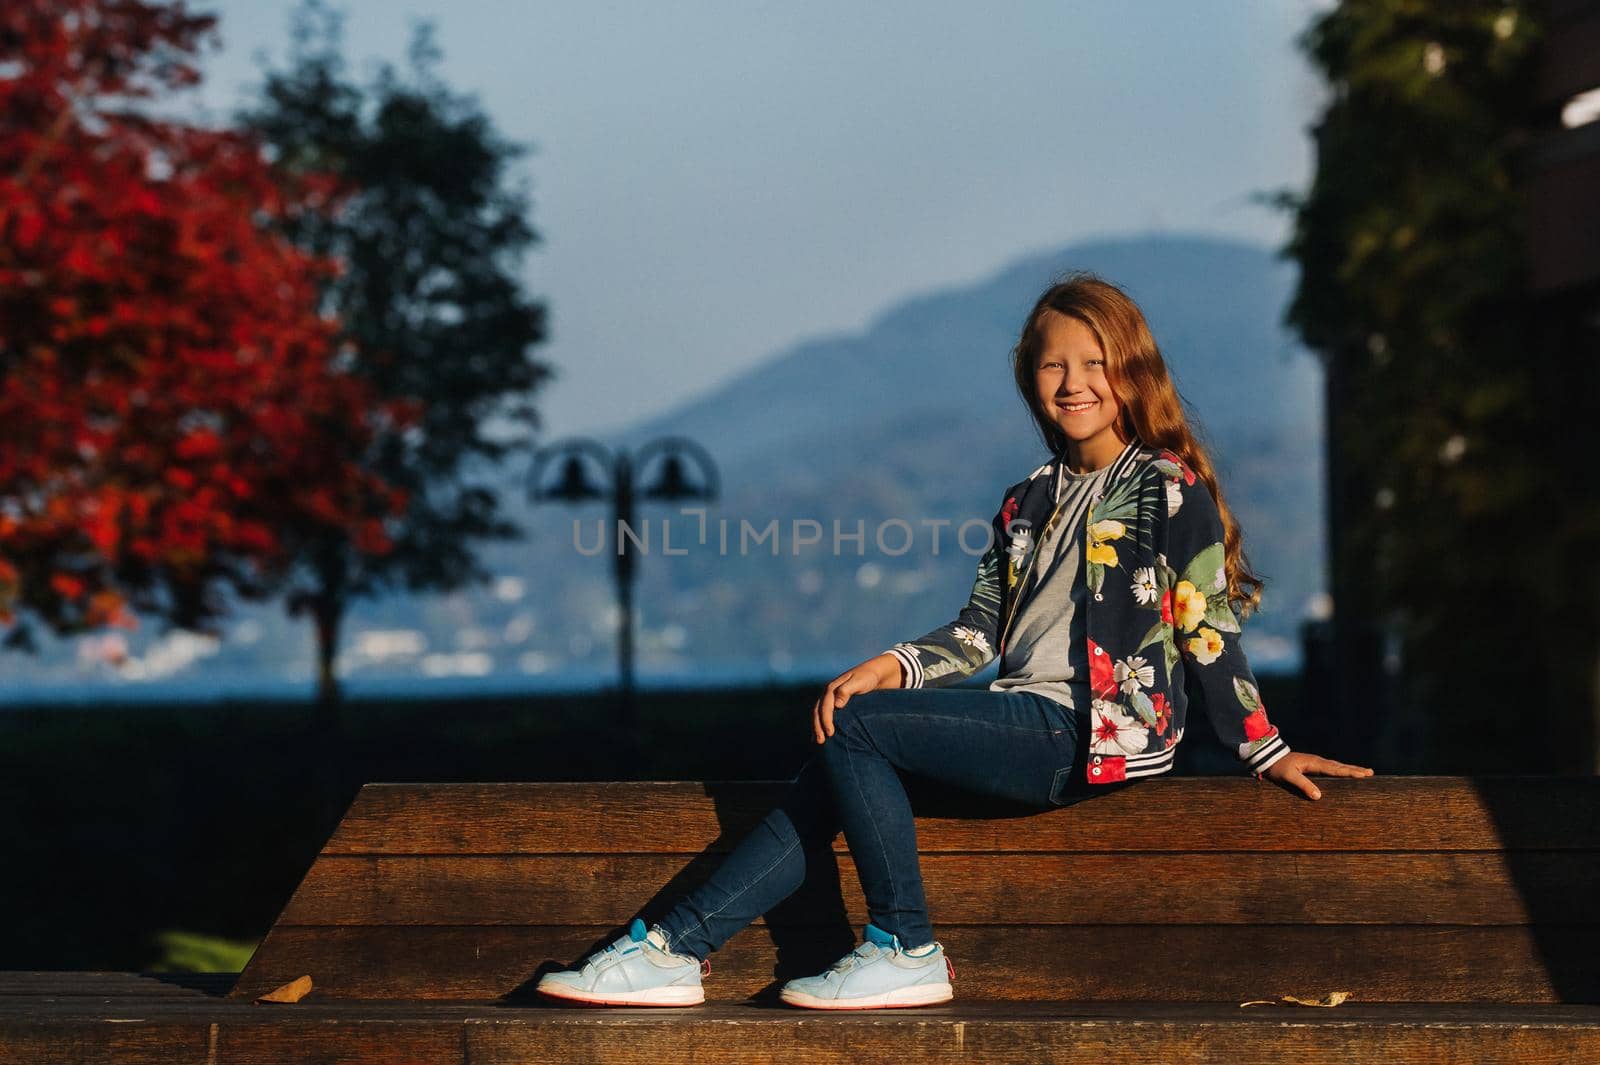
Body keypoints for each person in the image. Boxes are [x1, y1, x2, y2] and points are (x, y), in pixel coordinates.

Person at [536, 272, 1374, 1010]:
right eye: (1054, 364)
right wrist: (892, 664)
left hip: (1087, 730)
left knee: (859, 731)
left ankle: (904, 945)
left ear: (1130, 373)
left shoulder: (1164, 485)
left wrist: (1265, 749)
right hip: (1022, 718)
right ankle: (673, 949)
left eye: (1094, 363)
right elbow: (980, 632)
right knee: (839, 753)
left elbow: (1204, 621)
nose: (1074, 382)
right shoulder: (1028, 502)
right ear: (1030, 379)